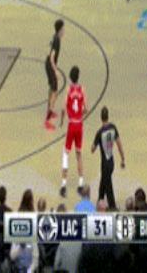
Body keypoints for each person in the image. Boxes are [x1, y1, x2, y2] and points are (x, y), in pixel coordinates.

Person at [60, 66, 87, 197]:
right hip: (79, 125)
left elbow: (63, 108)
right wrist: (80, 113)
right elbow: (86, 108)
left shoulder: (68, 90)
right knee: (78, 154)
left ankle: (63, 185)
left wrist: (62, 120)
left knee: (66, 153)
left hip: (71, 125)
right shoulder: (82, 89)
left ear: (70, 77)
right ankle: (80, 183)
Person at [91, 106, 125, 210]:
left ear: (101, 117)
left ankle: (113, 207)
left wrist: (95, 143)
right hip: (111, 162)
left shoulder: (100, 132)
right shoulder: (113, 127)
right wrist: (122, 159)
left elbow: (92, 149)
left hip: (104, 164)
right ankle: (99, 201)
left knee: (108, 186)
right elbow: (119, 144)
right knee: (103, 184)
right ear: (108, 116)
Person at [44, 19, 64, 130]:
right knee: (55, 91)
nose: (64, 31)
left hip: (48, 64)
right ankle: (47, 120)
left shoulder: (55, 37)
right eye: (63, 29)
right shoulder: (57, 40)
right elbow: (52, 56)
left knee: (52, 88)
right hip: (50, 65)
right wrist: (56, 70)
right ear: (60, 29)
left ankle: (49, 111)